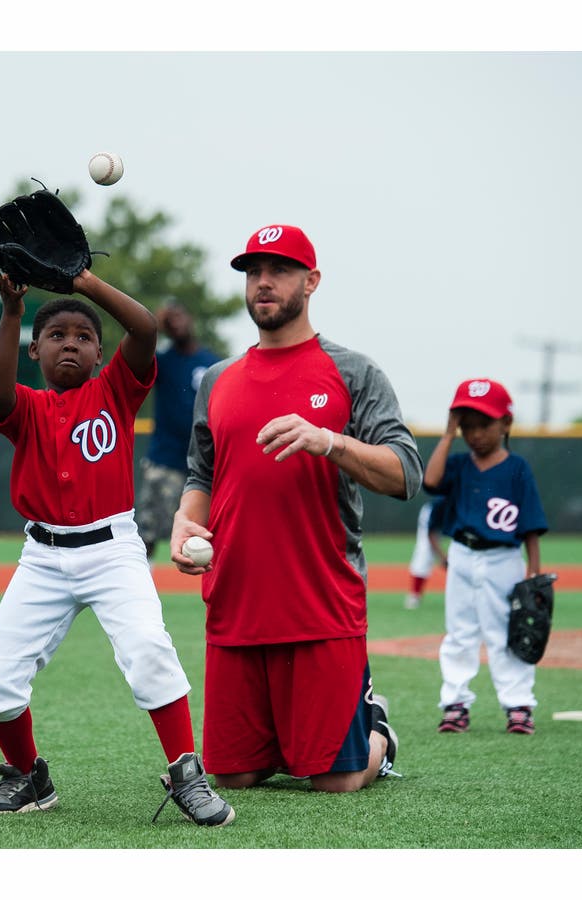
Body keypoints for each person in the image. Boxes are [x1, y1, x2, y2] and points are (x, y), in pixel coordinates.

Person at [0, 260, 234, 827]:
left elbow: (143, 330)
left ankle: (187, 774)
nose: (71, 344)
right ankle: (29, 776)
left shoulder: (117, 389)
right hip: (42, 557)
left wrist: (83, 282)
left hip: (112, 548)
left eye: (84, 337)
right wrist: (13, 311)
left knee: (148, 651)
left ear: (99, 353)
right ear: (34, 350)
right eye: (56, 336)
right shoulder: (27, 408)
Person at [169, 224, 423, 793]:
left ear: (311, 282)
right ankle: (305, 735)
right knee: (234, 776)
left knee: (337, 779)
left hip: (321, 603)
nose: (263, 282)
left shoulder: (353, 372)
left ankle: (375, 731)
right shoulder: (217, 379)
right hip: (237, 601)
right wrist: (186, 521)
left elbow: (406, 472)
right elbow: (201, 473)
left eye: (279, 270)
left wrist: (330, 440)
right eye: (253, 271)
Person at [421, 378, 549, 735]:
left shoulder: (517, 468)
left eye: (485, 424)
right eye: (467, 426)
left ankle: (519, 706)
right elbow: (430, 482)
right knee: (459, 633)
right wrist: (447, 435)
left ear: (506, 424)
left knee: (505, 635)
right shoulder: (459, 465)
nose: (475, 434)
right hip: (463, 555)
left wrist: (533, 575)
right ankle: (455, 704)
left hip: (504, 560)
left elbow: (531, 527)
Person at [136, 303, 222, 559]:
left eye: (179, 315)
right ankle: (142, 582)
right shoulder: (162, 361)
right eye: (169, 319)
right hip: (166, 459)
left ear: (190, 318)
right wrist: (155, 328)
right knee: (147, 530)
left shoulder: (213, 363)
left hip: (207, 464)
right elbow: (138, 354)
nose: (176, 322)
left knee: (217, 528)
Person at [403, 497, 448, 609]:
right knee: (425, 551)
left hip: (456, 517)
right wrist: (442, 556)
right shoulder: (438, 505)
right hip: (434, 515)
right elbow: (430, 534)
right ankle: (414, 595)